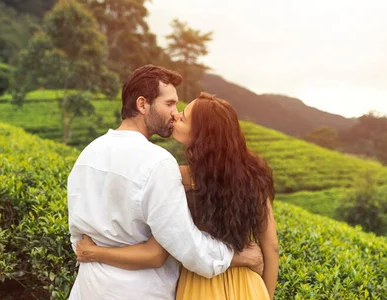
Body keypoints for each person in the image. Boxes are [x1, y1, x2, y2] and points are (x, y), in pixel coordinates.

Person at [67, 65, 265, 300]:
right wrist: (238, 257)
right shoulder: (158, 162)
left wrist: (96, 253)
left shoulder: (88, 154)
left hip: (88, 289)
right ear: (142, 105)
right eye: (169, 104)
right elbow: (185, 244)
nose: (175, 112)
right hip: (138, 293)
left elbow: (78, 238)